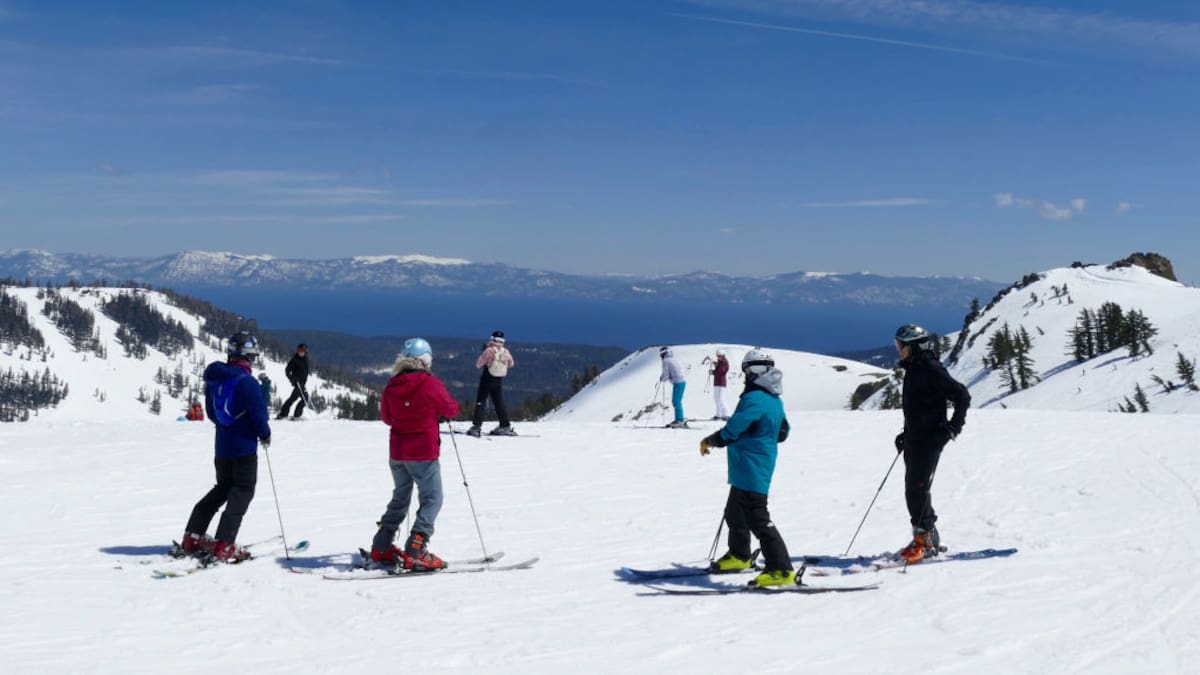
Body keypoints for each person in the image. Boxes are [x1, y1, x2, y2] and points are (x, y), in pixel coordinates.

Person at [699, 349, 795, 587]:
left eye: (745, 372)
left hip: (752, 467)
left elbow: (733, 430)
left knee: (757, 517)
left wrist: (710, 440)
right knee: (734, 512)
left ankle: (781, 569)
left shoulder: (754, 398)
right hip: (748, 466)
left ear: (753, 371)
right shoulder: (773, 399)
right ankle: (739, 555)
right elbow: (783, 432)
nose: (744, 377)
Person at [178, 331, 272, 563]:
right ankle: (224, 543)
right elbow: (258, 415)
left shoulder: (215, 380)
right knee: (242, 491)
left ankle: (193, 536)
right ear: (249, 356)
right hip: (244, 448)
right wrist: (264, 434)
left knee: (222, 488)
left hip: (222, 447)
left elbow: (212, 413)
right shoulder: (248, 383)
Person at [368, 338, 461, 572]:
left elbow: (387, 418)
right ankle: (416, 549)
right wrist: (433, 414)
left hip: (398, 452)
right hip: (423, 452)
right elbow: (451, 409)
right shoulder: (430, 384)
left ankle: (381, 545)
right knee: (432, 498)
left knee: (400, 498)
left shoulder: (393, 384)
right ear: (425, 360)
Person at [893, 324, 971, 564]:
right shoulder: (916, 367)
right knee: (915, 488)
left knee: (916, 489)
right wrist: (906, 434)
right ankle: (925, 536)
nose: (898, 350)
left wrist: (952, 428)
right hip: (917, 438)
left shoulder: (929, 368)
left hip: (929, 439)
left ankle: (924, 541)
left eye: (901, 345)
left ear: (913, 346)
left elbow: (962, 395)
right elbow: (920, 406)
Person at [466, 331, 516, 437]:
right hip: (498, 379)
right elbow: (511, 364)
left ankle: (476, 426)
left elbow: (478, 364)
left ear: (492, 339)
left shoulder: (489, 350)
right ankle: (505, 425)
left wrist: (484, 352)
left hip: (487, 378)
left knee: (481, 401)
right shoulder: (505, 351)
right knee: (499, 402)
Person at [276, 343, 310, 420]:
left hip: (302, 383)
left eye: (303, 351)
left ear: (305, 351)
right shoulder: (295, 360)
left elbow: (305, 371)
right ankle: (296, 415)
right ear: (297, 351)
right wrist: (293, 379)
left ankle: (283, 413)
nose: (301, 352)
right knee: (305, 398)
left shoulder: (305, 359)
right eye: (300, 351)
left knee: (293, 398)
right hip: (297, 383)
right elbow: (287, 370)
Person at [659, 346, 687, 428]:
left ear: (663, 354)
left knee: (676, 401)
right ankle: (679, 419)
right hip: (681, 382)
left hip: (678, 382)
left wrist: (662, 379)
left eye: (661, 354)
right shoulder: (671, 359)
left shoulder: (666, 361)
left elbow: (666, 374)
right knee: (677, 401)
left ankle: (680, 420)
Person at [711, 349, 730, 420]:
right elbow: (717, 372)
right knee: (716, 399)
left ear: (723, 355)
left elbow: (722, 371)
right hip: (716, 383)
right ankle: (718, 415)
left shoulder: (725, 363)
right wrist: (713, 371)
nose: (718, 357)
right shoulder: (719, 363)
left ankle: (726, 414)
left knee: (721, 399)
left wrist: (715, 369)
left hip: (721, 383)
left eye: (719, 356)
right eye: (717, 356)